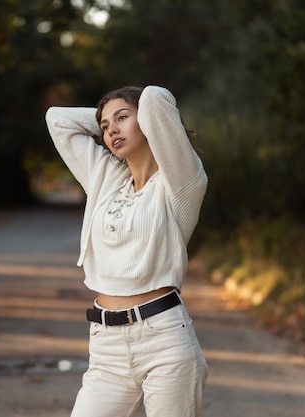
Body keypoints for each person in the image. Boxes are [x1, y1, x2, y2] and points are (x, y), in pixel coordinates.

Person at [45, 85, 209, 417]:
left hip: (163, 341)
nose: (111, 130)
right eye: (104, 126)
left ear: (149, 123)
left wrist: (134, 116)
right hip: (106, 347)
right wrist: (112, 119)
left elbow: (154, 99)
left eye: (122, 118)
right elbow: (57, 119)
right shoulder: (104, 178)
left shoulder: (181, 182)